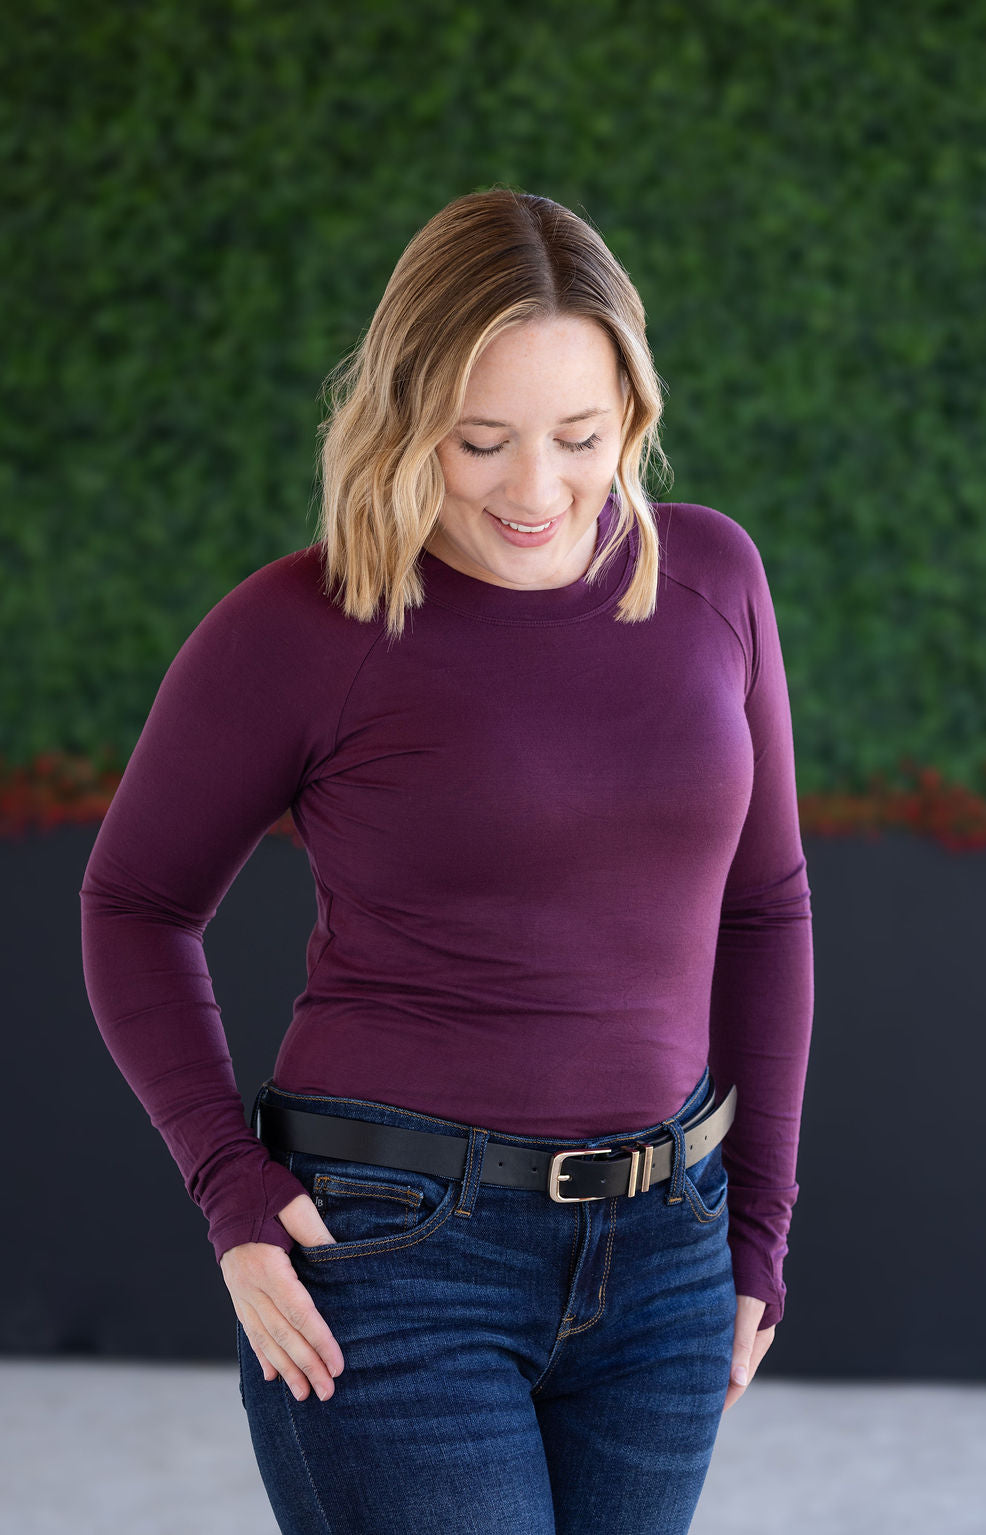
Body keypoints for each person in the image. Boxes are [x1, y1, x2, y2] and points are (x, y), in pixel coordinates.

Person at [80, 188, 813, 1535]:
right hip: (391, 1255)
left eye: (580, 437)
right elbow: (134, 904)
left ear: (634, 412)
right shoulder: (300, 627)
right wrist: (229, 1188)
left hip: (668, 1253)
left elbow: (765, 908)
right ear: (407, 418)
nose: (536, 491)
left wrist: (759, 1218)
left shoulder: (716, 578)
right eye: (481, 442)